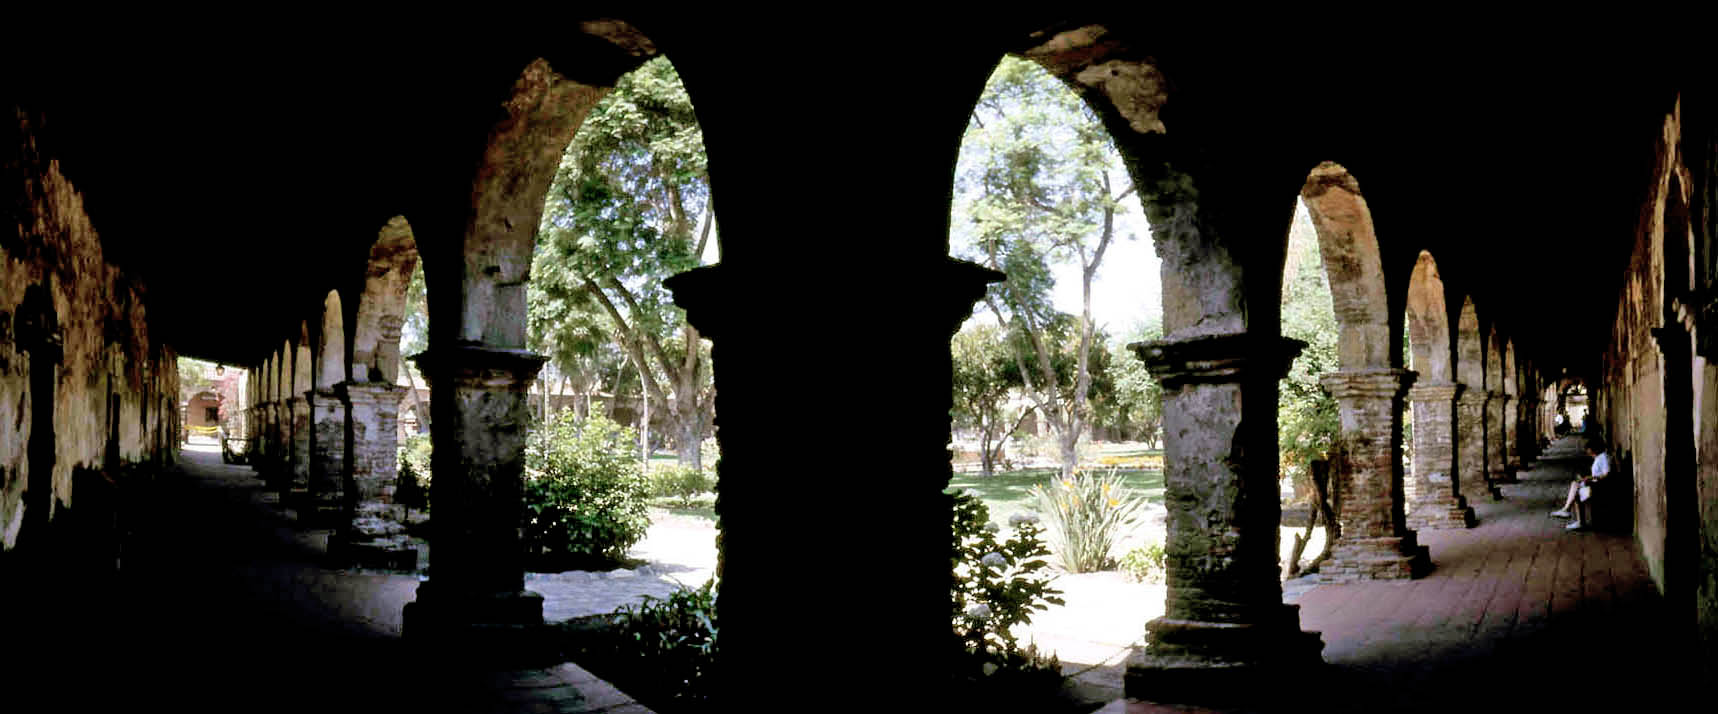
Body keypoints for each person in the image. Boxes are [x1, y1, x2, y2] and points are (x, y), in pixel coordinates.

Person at [1551, 439, 1610, 530]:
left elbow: (1607, 475)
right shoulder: (1599, 457)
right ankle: (1567, 510)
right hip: (1595, 484)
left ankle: (1573, 516)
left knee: (1577, 491)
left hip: (1599, 487)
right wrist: (1585, 477)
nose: (1587, 451)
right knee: (1575, 484)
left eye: (1588, 449)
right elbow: (1597, 473)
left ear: (1593, 448)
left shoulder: (1603, 457)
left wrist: (1588, 478)